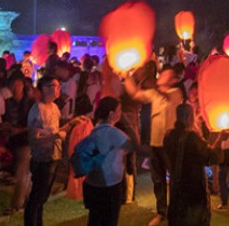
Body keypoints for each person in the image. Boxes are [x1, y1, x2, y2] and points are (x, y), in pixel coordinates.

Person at [123, 63, 184, 226]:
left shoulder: (176, 93)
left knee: (175, 179)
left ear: (173, 80)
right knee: (158, 180)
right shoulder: (154, 94)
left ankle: (177, 210)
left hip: (170, 145)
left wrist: (153, 85)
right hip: (155, 143)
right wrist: (126, 75)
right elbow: (135, 94)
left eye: (165, 75)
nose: (161, 76)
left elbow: (165, 95)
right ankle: (161, 212)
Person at [25, 76, 86, 226]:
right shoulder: (37, 110)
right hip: (41, 159)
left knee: (42, 197)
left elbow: (57, 131)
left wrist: (72, 123)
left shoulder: (54, 108)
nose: (59, 89)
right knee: (37, 198)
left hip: (54, 157)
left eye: (59, 86)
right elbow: (33, 140)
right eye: (55, 86)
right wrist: (55, 137)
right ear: (45, 88)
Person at [81, 97, 138, 226]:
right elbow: (134, 146)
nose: (121, 113)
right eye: (119, 110)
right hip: (109, 186)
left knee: (94, 220)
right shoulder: (113, 133)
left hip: (92, 184)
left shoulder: (95, 128)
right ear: (112, 114)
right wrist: (130, 125)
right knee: (109, 221)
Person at [164, 103, 224, 226]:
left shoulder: (169, 136)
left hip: (176, 189)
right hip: (193, 192)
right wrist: (220, 139)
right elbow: (212, 157)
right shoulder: (192, 139)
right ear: (189, 118)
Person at [3, 74, 34, 215]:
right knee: (24, 173)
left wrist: (19, 130)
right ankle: (27, 199)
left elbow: (34, 125)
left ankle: (16, 204)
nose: (15, 88)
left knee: (21, 173)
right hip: (13, 141)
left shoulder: (29, 103)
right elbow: (5, 119)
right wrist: (6, 127)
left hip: (26, 141)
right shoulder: (8, 103)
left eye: (18, 85)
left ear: (23, 85)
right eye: (13, 85)